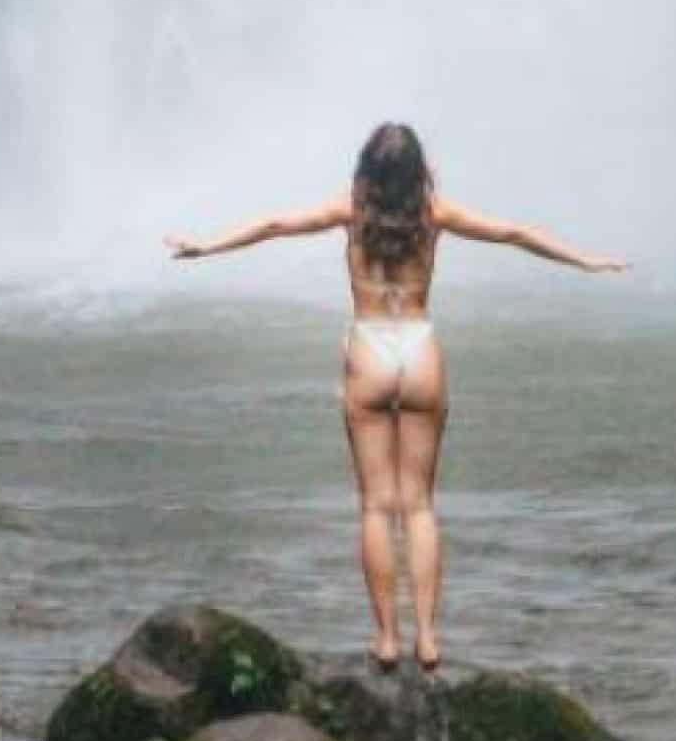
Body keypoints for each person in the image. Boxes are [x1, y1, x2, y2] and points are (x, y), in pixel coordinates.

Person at [165, 121, 622, 684]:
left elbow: (276, 224)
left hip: (369, 353)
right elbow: (514, 232)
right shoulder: (436, 215)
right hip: (419, 351)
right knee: (421, 505)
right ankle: (428, 638)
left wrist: (205, 246)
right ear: (418, 172)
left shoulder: (350, 213)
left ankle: (387, 638)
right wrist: (586, 260)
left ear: (366, 171)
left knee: (377, 507)